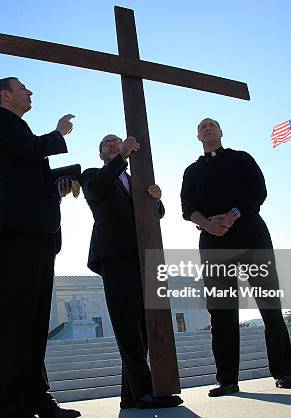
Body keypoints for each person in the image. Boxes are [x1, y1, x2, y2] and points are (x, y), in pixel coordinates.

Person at [0, 77, 79, 418]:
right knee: (13, 319)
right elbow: (30, 151)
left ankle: (39, 397)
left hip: (38, 231)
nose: (31, 92)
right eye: (23, 88)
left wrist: (56, 189)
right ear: (5, 96)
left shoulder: (20, 130)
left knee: (35, 322)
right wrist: (59, 134)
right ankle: (9, 406)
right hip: (14, 230)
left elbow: (30, 174)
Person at [180, 118, 291, 397]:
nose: (208, 129)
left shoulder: (241, 158)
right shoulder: (192, 171)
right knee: (221, 312)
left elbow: (258, 191)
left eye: (212, 125)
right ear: (197, 136)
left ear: (221, 132)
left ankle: (283, 373)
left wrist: (232, 215)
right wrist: (209, 224)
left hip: (250, 234)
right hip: (212, 241)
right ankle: (227, 380)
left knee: (269, 305)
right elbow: (188, 208)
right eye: (202, 127)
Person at [80, 134, 183, 410]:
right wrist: (122, 156)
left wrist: (157, 199)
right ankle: (147, 391)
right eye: (107, 143)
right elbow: (97, 189)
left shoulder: (135, 179)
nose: (113, 144)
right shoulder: (92, 174)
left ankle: (131, 395)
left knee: (143, 326)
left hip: (142, 254)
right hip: (114, 255)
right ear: (101, 154)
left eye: (116, 141)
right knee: (127, 325)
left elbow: (154, 214)